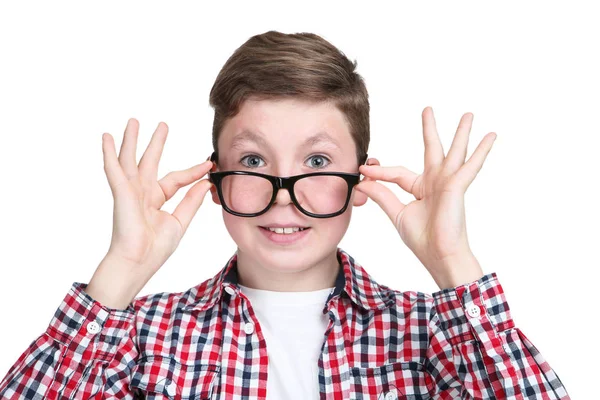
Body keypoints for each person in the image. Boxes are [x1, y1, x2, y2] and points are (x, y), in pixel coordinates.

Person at [0, 30, 570, 400]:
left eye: (317, 160)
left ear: (362, 177)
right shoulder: (140, 336)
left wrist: (453, 262)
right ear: (215, 178)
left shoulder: (433, 337)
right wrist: (120, 272)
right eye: (253, 160)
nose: (281, 195)